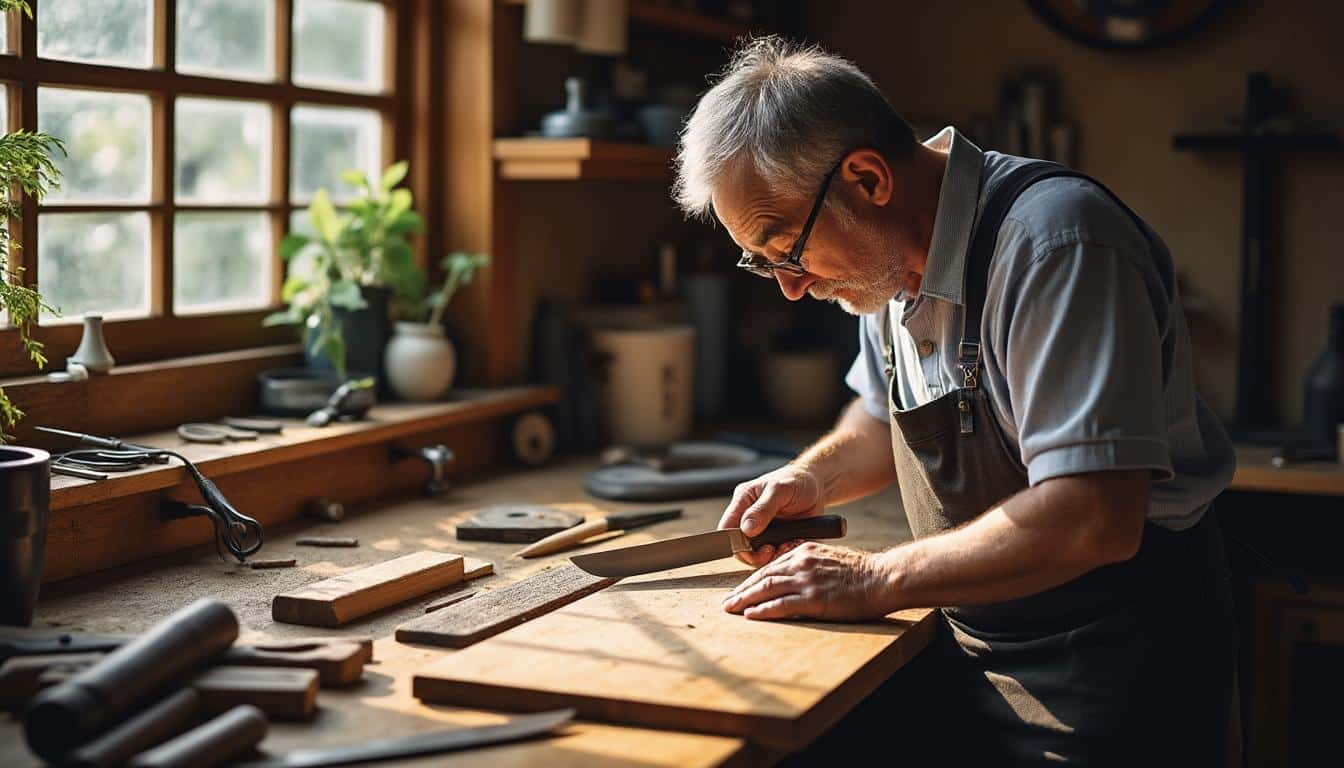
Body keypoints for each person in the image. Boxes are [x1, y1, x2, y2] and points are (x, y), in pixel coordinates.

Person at [674, 36, 1239, 765]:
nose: (789, 284)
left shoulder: (1056, 247)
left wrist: (875, 578)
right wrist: (810, 478)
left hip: (1117, 668)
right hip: (971, 651)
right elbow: (880, 416)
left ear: (868, 179)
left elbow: (1093, 516)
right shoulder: (884, 264)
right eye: (765, 263)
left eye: (787, 250)